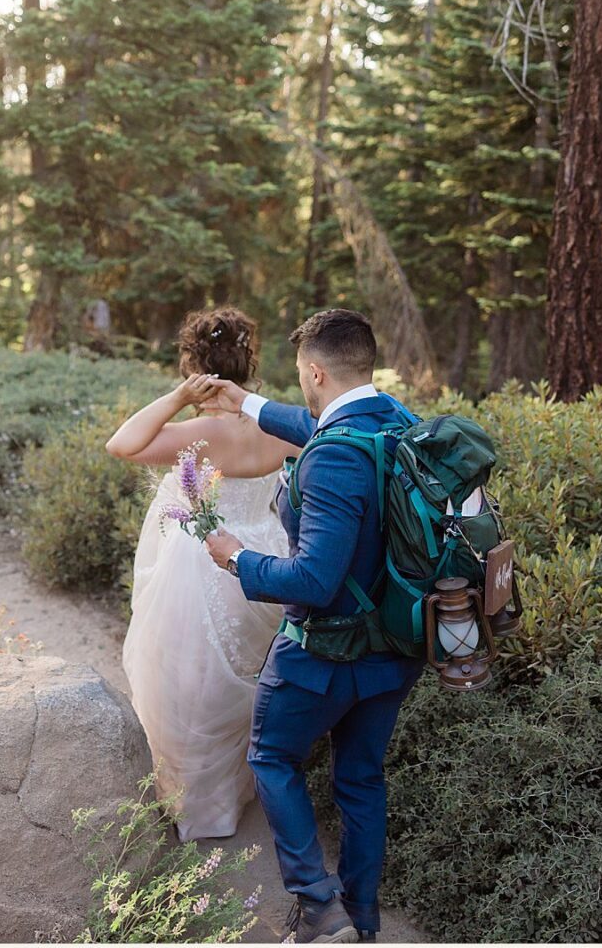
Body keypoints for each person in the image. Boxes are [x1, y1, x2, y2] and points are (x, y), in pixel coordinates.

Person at [202, 308, 424, 945]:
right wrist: (247, 402)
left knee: (271, 757)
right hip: (396, 651)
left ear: (317, 371)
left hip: (323, 654)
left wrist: (237, 558)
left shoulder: (330, 460)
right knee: (361, 777)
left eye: (303, 377)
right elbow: (316, 424)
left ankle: (321, 912)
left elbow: (313, 581)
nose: (303, 388)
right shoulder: (401, 424)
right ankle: (364, 918)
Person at [105, 307, 297, 842]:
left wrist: (176, 398)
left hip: (203, 564)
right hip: (266, 556)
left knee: (187, 688)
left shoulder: (195, 431)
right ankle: (242, 789)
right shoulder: (277, 425)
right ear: (248, 362)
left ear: (191, 364)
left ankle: (195, 806)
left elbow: (121, 444)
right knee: (247, 680)